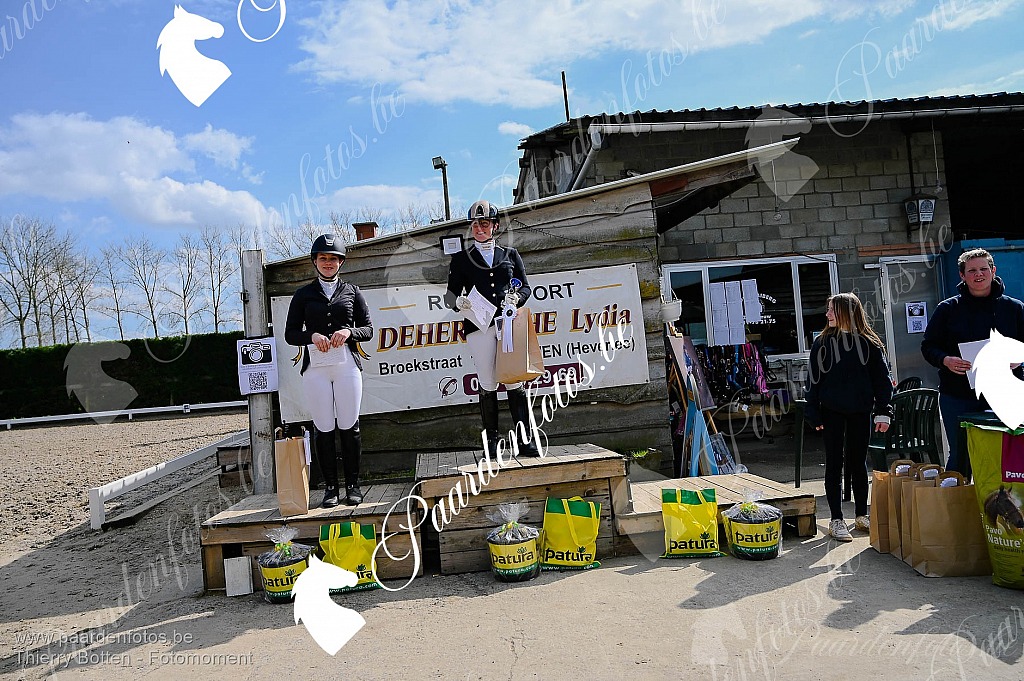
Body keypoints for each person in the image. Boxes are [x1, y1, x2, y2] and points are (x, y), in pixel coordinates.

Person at [444, 200, 540, 457]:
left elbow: (526, 288)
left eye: (484, 223)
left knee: (513, 380)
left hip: (507, 324)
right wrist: (459, 302)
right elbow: (449, 296)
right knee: (487, 382)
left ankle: (524, 439)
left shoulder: (510, 255)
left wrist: (516, 299)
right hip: (479, 326)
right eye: (475, 224)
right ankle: (493, 442)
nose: (479, 228)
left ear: (495, 226)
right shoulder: (462, 259)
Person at [285, 234, 373, 507]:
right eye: (323, 258)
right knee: (323, 427)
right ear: (315, 261)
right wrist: (311, 336)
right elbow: (290, 334)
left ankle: (353, 485)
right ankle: (330, 488)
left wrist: (349, 331)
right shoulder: (303, 295)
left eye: (333, 258)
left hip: (346, 366)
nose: (328, 263)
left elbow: (368, 329)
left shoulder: (352, 291)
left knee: (349, 425)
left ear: (340, 262)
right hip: (316, 369)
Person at [921, 248, 1024, 474]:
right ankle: (959, 506)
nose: (979, 274)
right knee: (960, 454)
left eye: (984, 269)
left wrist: (1019, 360)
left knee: (1006, 453)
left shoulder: (1014, 308)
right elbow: (928, 346)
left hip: (1004, 395)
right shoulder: (947, 309)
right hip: (958, 396)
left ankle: (1007, 505)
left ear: (993, 271)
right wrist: (945, 360)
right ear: (962, 275)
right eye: (972, 270)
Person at [804, 293, 893, 542]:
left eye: (832, 310)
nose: (827, 314)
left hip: (860, 411)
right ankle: (836, 519)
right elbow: (813, 381)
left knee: (858, 463)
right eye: (828, 309)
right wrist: (812, 412)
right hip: (831, 412)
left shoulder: (869, 343)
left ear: (846, 312)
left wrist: (884, 410)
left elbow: (882, 382)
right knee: (834, 463)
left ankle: (861, 514)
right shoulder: (822, 343)